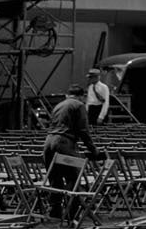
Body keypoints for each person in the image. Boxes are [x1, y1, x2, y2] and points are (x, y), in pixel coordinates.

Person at [42, 84, 102, 220]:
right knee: (73, 176)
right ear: (82, 96)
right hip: (63, 142)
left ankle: (55, 211)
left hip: (48, 141)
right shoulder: (79, 105)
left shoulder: (59, 105)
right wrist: (93, 150)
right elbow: (83, 130)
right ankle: (71, 212)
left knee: (54, 177)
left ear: (67, 95)